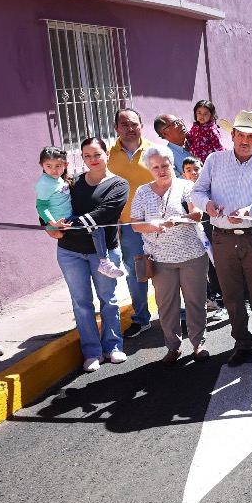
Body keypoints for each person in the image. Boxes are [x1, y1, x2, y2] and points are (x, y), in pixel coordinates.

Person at [191, 110, 252, 367]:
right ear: (232, 135)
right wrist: (207, 204)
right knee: (231, 294)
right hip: (223, 238)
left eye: (251, 136)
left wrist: (249, 211)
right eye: (241, 135)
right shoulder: (214, 160)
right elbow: (197, 191)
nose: (245, 141)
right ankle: (241, 344)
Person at [47, 137, 129, 372]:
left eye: (97, 154)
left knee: (108, 300)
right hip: (70, 252)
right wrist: (49, 225)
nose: (93, 159)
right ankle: (92, 352)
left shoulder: (119, 185)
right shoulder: (72, 183)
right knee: (81, 303)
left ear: (107, 154)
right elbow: (52, 204)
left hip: (103, 254)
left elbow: (103, 214)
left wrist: (70, 224)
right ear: (82, 157)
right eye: (87, 156)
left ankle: (113, 346)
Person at [130, 144, 209, 366]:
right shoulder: (142, 192)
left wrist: (179, 220)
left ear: (172, 165)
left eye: (165, 165)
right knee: (166, 306)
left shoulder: (186, 186)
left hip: (192, 255)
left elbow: (197, 214)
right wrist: (153, 225)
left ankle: (198, 344)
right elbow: (135, 225)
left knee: (196, 301)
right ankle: (173, 346)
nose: (161, 171)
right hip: (160, 259)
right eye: (155, 167)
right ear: (149, 168)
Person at [35, 146, 124, 279]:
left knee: (95, 229)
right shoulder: (44, 183)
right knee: (97, 229)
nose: (54, 170)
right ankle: (104, 262)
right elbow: (41, 206)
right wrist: (52, 224)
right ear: (41, 165)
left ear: (66, 165)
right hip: (64, 222)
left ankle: (103, 261)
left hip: (68, 219)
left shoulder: (60, 179)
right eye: (49, 166)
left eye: (58, 166)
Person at [107, 108, 155, 339]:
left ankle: (178, 314)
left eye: (134, 124)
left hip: (158, 223)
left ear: (141, 126)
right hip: (128, 226)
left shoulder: (155, 151)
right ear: (116, 127)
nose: (130, 128)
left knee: (168, 270)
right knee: (136, 273)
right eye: (124, 124)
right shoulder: (108, 155)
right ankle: (141, 319)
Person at [182, 156, 225, 320]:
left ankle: (224, 303)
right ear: (183, 174)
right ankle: (212, 299)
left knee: (217, 267)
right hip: (193, 239)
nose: (193, 173)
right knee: (203, 271)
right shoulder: (182, 191)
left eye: (196, 169)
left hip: (212, 234)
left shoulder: (211, 189)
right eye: (189, 170)